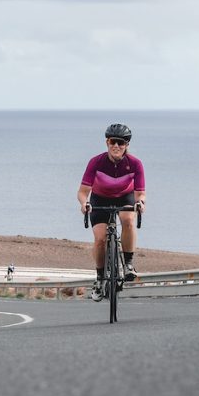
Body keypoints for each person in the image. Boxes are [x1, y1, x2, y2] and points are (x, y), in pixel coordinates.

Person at [77, 123, 146, 301]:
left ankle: (129, 264)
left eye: (121, 143)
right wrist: (84, 203)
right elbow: (83, 192)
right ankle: (100, 279)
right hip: (100, 199)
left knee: (128, 219)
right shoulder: (96, 162)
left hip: (125, 198)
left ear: (127, 145)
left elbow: (140, 193)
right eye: (112, 142)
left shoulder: (135, 164)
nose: (116, 146)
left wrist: (140, 203)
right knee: (100, 239)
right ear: (107, 142)